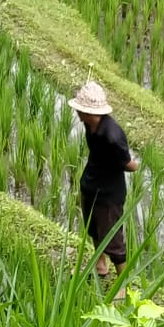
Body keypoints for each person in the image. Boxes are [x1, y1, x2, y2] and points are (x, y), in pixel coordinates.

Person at [70, 81, 137, 279]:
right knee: (93, 229)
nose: (77, 112)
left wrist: (137, 163)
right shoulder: (89, 124)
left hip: (109, 194)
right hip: (91, 184)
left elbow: (129, 165)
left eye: (80, 109)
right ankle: (100, 265)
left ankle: (122, 282)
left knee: (113, 238)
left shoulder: (113, 136)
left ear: (90, 112)